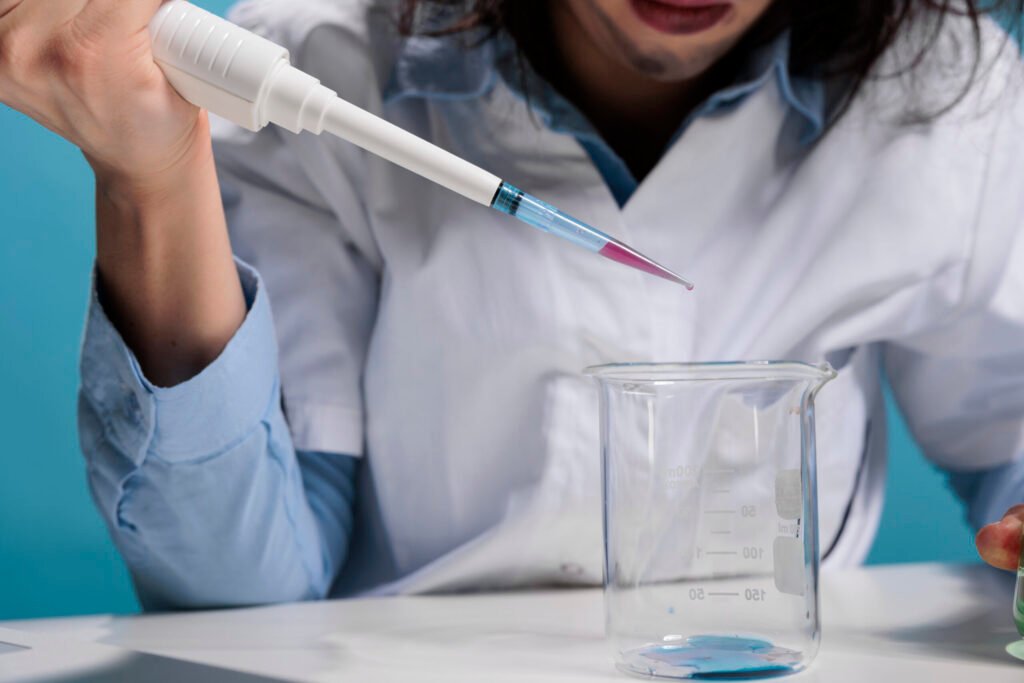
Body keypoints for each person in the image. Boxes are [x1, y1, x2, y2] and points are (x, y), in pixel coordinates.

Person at [0, 0, 1022, 609]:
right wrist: (151, 176)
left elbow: (1008, 435)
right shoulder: (327, 66)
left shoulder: (946, 90)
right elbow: (241, 594)